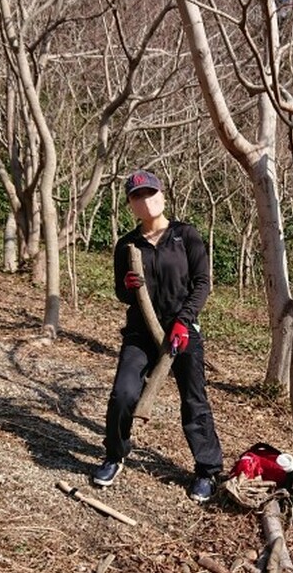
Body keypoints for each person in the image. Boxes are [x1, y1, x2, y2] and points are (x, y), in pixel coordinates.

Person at [94, 169, 224, 503]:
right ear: (130, 205)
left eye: (151, 193)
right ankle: (115, 453)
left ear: (163, 196)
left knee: (194, 400)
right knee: (123, 394)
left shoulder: (185, 235)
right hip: (141, 331)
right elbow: (121, 295)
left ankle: (207, 470)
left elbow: (202, 283)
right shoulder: (127, 245)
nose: (146, 200)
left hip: (182, 330)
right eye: (138, 196)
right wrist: (127, 288)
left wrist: (184, 321)